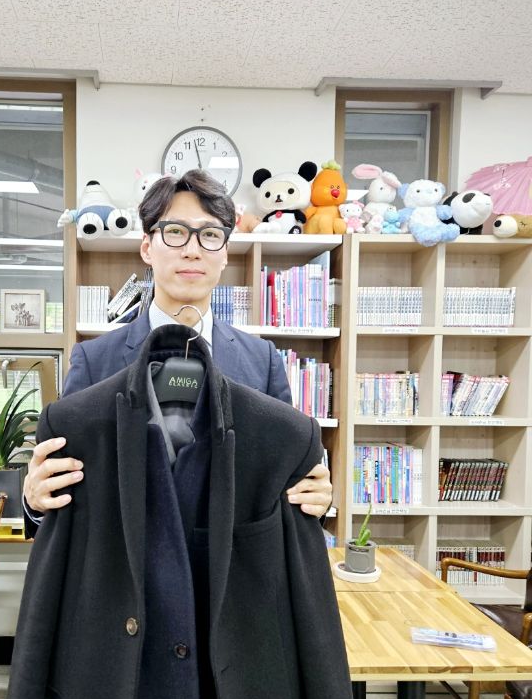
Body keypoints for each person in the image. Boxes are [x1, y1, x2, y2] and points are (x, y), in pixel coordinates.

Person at [23, 169, 333, 526]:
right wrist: (35, 502)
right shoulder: (94, 361)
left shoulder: (262, 362)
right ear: (146, 248)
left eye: (210, 235)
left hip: (232, 558)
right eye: (175, 232)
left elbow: (288, 479)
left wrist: (316, 499)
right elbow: (61, 489)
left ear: (225, 254)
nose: (192, 250)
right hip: (124, 556)